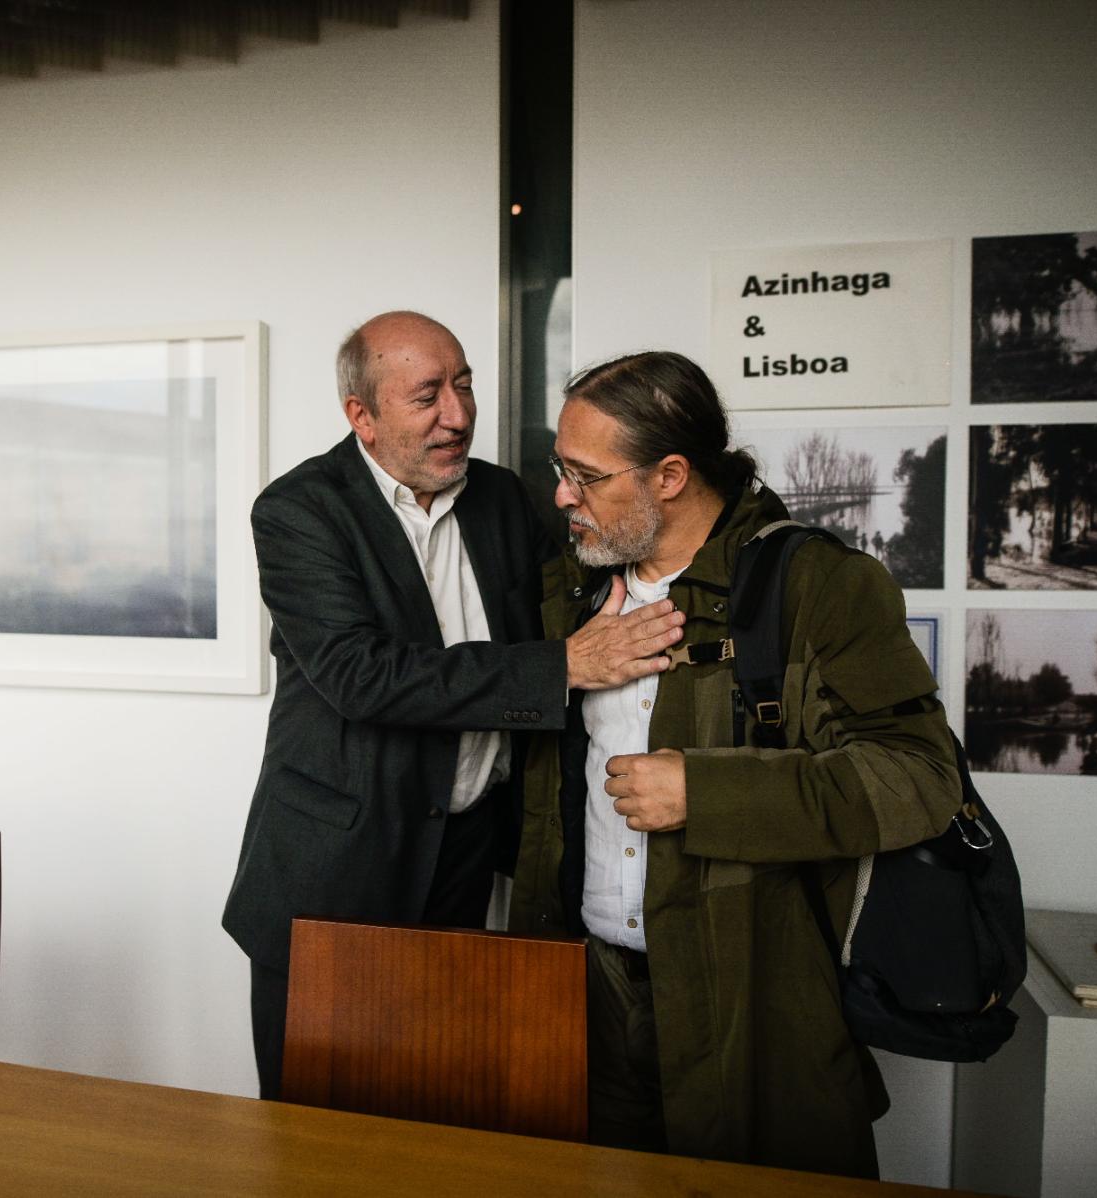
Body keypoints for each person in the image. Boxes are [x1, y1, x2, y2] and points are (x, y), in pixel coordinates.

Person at [508, 350, 962, 1177]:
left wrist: (705, 793)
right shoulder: (567, 588)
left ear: (670, 476)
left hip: (758, 1011)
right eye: (560, 470)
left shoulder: (819, 585)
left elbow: (919, 778)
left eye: (587, 476)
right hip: (584, 998)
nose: (563, 497)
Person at [221, 312, 688, 1099]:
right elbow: (361, 677)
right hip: (339, 867)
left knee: (441, 1106)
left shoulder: (504, 497)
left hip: (467, 852)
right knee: (317, 1130)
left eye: (464, 385)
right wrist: (562, 667)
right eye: (427, 396)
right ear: (362, 416)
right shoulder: (299, 511)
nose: (459, 414)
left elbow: (591, 590)